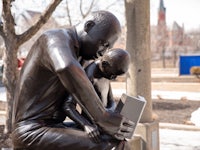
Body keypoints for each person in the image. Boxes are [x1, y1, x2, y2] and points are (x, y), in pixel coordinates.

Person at [12, 10, 134, 150]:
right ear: (88, 26)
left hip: (54, 127)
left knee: (117, 140)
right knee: (109, 146)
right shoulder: (54, 38)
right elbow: (66, 67)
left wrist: (114, 119)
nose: (103, 52)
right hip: (31, 131)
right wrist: (104, 117)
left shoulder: (82, 57)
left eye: (108, 48)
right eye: (103, 44)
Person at [62, 48, 130, 142]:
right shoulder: (86, 77)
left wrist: (111, 114)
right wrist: (86, 125)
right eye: (113, 75)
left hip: (105, 125)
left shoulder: (106, 71)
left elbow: (110, 101)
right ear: (105, 65)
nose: (113, 78)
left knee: (123, 140)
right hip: (93, 127)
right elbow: (68, 105)